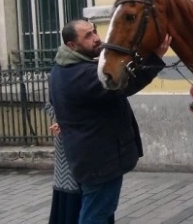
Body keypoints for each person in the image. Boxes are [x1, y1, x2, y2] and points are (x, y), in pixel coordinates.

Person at [49, 19, 170, 224]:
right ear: (72, 45)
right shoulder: (82, 75)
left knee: (101, 212)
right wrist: (155, 57)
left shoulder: (61, 69)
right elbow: (125, 84)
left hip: (90, 159)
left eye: (94, 32)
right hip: (100, 161)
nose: (97, 38)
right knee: (95, 215)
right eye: (88, 36)